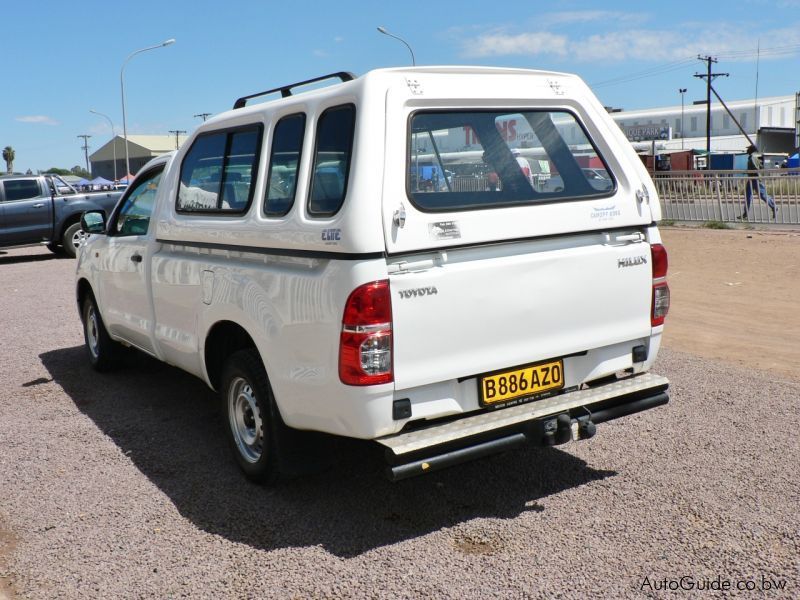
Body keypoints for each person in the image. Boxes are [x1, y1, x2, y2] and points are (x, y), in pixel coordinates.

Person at [740, 144, 777, 219]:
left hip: (755, 179)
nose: (747, 150)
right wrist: (747, 172)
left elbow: (756, 168)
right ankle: (745, 213)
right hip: (751, 179)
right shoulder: (752, 157)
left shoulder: (753, 157)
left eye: (748, 149)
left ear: (751, 150)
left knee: (763, 195)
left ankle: (774, 206)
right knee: (748, 196)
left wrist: (757, 178)